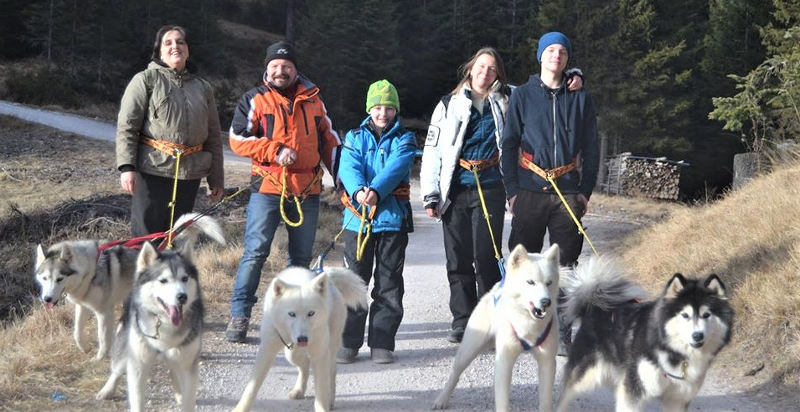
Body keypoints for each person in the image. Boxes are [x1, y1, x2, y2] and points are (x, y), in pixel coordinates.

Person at [420, 47, 582, 344]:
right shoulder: (448, 104)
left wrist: (573, 75)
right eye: (481, 67)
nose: (485, 73)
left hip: (492, 185)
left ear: (498, 74)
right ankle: (462, 320)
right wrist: (431, 193)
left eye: (492, 69)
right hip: (455, 187)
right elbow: (432, 151)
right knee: (457, 259)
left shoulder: (508, 97)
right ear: (471, 69)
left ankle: (491, 319)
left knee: (486, 257)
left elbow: (545, 84)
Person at [225, 41, 342, 343]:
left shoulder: (315, 101)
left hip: (307, 190)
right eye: (275, 66)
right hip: (268, 188)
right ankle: (239, 315)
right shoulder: (255, 99)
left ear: (295, 69)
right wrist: (274, 149)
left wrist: (341, 180)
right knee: (255, 253)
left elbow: (330, 142)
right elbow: (237, 139)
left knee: (300, 259)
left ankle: (293, 319)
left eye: (286, 66)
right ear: (267, 69)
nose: (281, 70)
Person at [500, 32, 600, 353]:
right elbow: (509, 143)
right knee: (522, 263)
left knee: (566, 266)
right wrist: (512, 190)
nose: (556, 56)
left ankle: (561, 332)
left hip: (568, 192)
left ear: (568, 58)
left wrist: (584, 192)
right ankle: (518, 326)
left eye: (562, 51)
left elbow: (592, 147)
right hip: (529, 190)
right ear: (540, 55)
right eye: (550, 50)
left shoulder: (580, 97)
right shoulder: (523, 96)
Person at [335, 80, 417, 364]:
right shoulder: (354, 137)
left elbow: (398, 166)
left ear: (396, 110)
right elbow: (348, 165)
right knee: (354, 282)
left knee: (389, 283)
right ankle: (348, 341)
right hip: (357, 222)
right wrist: (358, 190)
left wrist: (376, 191)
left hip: (392, 221)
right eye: (378, 107)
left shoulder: (405, 138)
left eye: (389, 107)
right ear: (370, 108)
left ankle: (382, 342)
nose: (383, 113)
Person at [116, 25, 224, 237]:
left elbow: (213, 137)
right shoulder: (145, 80)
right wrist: (126, 167)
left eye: (180, 42)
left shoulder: (203, 87)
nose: (175, 46)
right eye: (168, 42)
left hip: (189, 173)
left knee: (178, 238)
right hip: (152, 170)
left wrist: (216, 180)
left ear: (188, 49)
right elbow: (127, 126)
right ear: (159, 51)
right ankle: (145, 272)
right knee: (146, 240)